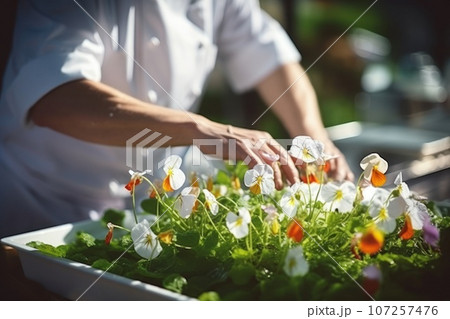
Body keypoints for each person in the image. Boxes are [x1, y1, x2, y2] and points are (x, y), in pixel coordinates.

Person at [0, 0, 353, 237]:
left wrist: (313, 139)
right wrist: (205, 131)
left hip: (155, 202)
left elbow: (270, 55)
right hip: (45, 205)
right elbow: (54, 96)